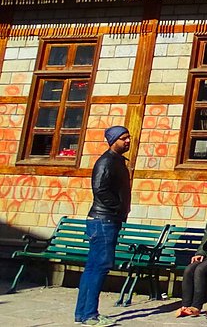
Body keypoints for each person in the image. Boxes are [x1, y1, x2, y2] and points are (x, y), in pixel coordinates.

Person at [75, 125, 132, 327]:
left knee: (93, 268)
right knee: (100, 267)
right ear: (113, 140)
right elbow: (100, 189)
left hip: (107, 220)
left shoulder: (117, 161)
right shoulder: (106, 162)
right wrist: (118, 207)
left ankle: (82, 313)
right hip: (103, 221)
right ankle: (90, 314)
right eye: (123, 138)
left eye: (128, 137)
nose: (127, 141)